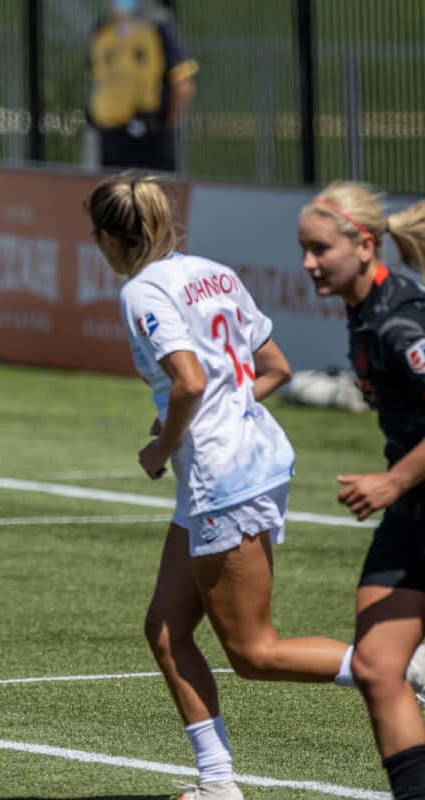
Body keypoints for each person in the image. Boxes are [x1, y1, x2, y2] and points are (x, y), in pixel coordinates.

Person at [86, 173, 424, 800]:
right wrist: (209, 417)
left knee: (253, 652)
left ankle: (396, 668)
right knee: (165, 629)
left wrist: (163, 444)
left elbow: (188, 381)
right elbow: (275, 369)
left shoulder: (142, 291)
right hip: (244, 458)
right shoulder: (211, 271)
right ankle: (217, 783)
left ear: (108, 237)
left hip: (225, 475)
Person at [298, 182, 425, 799]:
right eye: (303, 248)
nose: (307, 263)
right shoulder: (364, 307)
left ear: (364, 245)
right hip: (414, 514)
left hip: (410, 497)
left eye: (319, 248)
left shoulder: (402, 319)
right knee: (377, 667)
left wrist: (393, 479)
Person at [86, 0, 197, 172]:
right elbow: (96, 80)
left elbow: (183, 85)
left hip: (148, 135)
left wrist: (164, 129)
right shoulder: (102, 30)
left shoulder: (158, 27)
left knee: (148, 195)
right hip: (108, 137)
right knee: (112, 195)